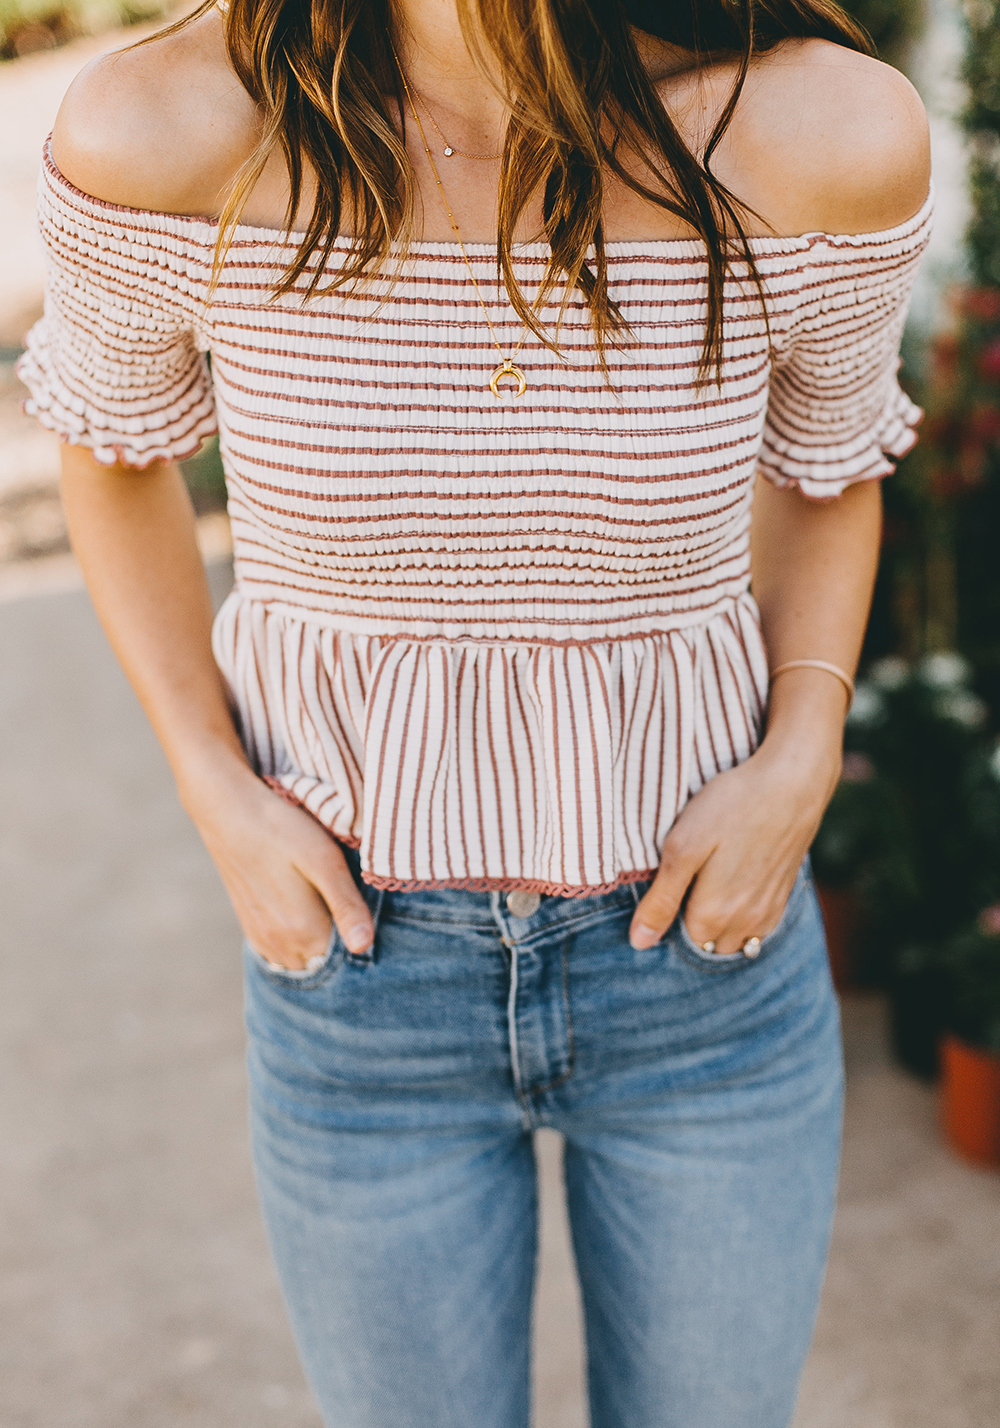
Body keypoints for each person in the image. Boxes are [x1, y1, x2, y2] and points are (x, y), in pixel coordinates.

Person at [19, 0, 931, 1422]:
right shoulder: (168, 131)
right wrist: (212, 785)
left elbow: (828, 468)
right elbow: (109, 449)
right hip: (361, 986)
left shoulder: (814, 131)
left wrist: (803, 754)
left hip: (705, 969)